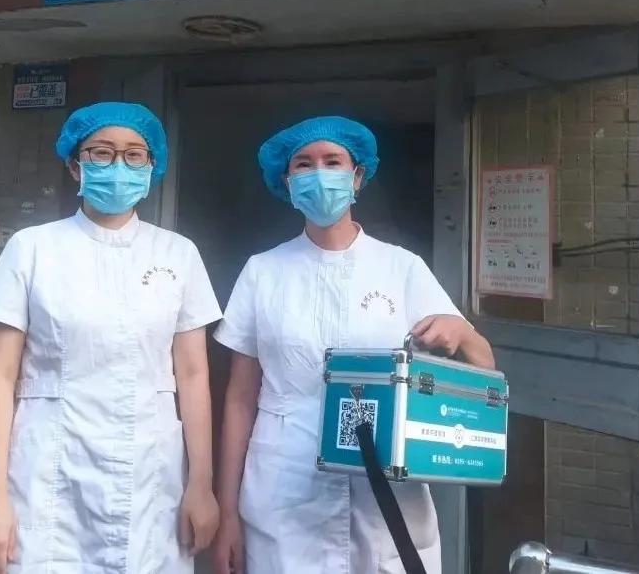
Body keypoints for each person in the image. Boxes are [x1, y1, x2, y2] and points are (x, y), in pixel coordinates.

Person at [211, 116, 495, 574]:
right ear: (288, 181)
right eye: (304, 164)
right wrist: (227, 512)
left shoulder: (402, 268)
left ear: (357, 176)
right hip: (285, 490)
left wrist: (462, 333)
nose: (319, 174)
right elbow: (240, 398)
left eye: (333, 161)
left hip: (386, 494)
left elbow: (483, 370)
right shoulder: (262, 271)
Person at [0, 102, 223, 574]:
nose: (118, 166)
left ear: (152, 167)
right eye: (102, 153)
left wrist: (201, 484)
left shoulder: (178, 254)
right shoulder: (32, 248)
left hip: (150, 473)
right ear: (75, 165)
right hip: (48, 471)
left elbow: (192, 376)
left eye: (134, 155)